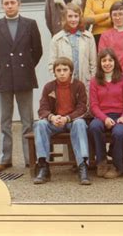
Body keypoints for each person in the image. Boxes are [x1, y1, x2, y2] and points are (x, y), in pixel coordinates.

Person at [0, 0, 43, 173]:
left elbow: (37, 51)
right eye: (6, 3)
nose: (9, 6)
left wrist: (24, 67)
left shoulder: (30, 24)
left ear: (19, 4)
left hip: (24, 77)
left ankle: (29, 158)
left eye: (12, 2)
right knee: (5, 121)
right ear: (2, 6)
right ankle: (5, 159)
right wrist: (4, 67)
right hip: (3, 78)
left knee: (27, 121)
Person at [33, 57, 90, 185]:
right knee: (40, 124)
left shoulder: (78, 86)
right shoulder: (49, 87)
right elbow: (42, 109)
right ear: (54, 72)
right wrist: (52, 117)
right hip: (55, 122)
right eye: (58, 70)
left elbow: (82, 108)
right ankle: (43, 166)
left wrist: (67, 118)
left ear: (71, 71)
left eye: (65, 70)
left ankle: (83, 166)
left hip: (71, 121)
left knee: (81, 123)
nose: (62, 73)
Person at [88, 49, 123, 179]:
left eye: (110, 60)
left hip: (119, 115)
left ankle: (118, 166)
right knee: (94, 127)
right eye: (104, 60)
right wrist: (104, 118)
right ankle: (101, 162)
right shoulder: (94, 81)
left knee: (119, 133)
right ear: (100, 63)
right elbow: (94, 105)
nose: (107, 63)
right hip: (101, 115)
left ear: (115, 62)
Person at [49, 3, 97, 91]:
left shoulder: (88, 37)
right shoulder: (57, 39)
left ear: (80, 17)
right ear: (65, 18)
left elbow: (93, 64)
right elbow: (52, 64)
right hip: (64, 85)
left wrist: (92, 82)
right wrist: (57, 82)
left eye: (76, 16)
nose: (73, 19)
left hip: (84, 83)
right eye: (70, 16)